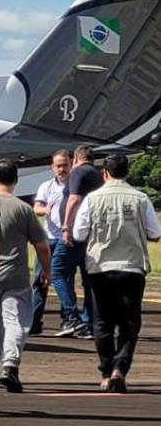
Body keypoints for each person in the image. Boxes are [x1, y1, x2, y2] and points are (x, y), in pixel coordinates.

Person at [72, 154, 159, 392]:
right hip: (132, 266)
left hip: (101, 267)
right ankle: (121, 367)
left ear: (105, 173)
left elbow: (79, 233)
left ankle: (106, 370)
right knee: (130, 322)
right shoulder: (140, 198)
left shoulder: (92, 199)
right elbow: (154, 232)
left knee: (102, 321)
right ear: (127, 172)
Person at [0, 159, 52, 393]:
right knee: (16, 322)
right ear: (16, 180)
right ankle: (10, 364)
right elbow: (41, 246)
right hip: (14, 275)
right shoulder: (23, 209)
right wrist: (47, 270)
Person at [56, 145, 102, 339]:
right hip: (91, 233)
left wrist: (66, 227)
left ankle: (72, 317)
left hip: (76, 233)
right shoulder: (97, 175)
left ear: (75, 159)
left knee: (57, 271)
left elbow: (74, 199)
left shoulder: (78, 172)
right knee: (88, 279)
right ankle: (89, 322)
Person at [30, 149, 71, 335]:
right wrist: (45, 210)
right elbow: (36, 207)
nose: (62, 169)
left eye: (65, 165)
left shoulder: (75, 186)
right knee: (40, 279)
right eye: (58, 166)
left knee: (65, 280)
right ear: (52, 167)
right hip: (49, 237)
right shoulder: (46, 186)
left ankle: (67, 320)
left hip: (66, 239)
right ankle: (34, 321)